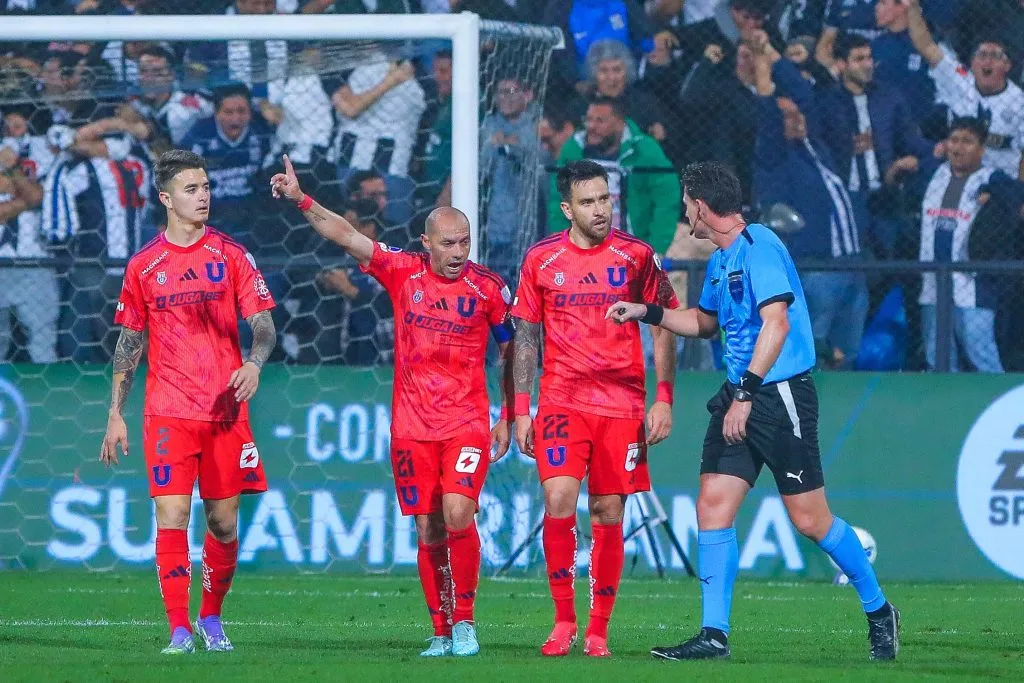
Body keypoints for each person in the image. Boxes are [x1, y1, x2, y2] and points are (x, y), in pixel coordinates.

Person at [606, 161, 900, 662]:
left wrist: (744, 394)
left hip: (778, 396)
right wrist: (648, 312)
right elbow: (703, 322)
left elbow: (777, 325)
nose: (684, 214)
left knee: (811, 521)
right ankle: (714, 635)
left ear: (701, 206)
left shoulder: (760, 247)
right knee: (712, 505)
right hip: (740, 393)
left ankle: (879, 609)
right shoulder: (722, 260)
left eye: (685, 204)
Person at [270, 154, 514, 658]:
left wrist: (512, 414)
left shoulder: (488, 288)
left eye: (464, 242)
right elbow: (343, 234)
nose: (458, 252)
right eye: (447, 243)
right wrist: (301, 200)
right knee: (427, 525)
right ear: (426, 244)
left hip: (467, 421)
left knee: (458, 511)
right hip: (411, 425)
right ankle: (440, 630)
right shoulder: (403, 272)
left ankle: (465, 623)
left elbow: (515, 350)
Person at [100, 149, 278, 655]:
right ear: (166, 199)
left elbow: (263, 327)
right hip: (168, 410)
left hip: (224, 412)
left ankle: (211, 617)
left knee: (222, 522)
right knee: (172, 516)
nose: (203, 197)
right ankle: (179, 628)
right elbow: (129, 343)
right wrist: (115, 413)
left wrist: (254, 362)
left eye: (206, 188)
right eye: (192, 189)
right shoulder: (143, 266)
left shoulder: (232, 255)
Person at [509, 159, 678, 658]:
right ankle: (563, 622)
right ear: (567, 208)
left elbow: (664, 323)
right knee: (559, 499)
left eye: (605, 198)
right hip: (562, 398)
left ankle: (598, 629)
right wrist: (523, 409)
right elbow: (525, 335)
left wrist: (664, 399)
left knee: (608, 509)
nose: (601, 209)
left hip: (623, 403)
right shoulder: (541, 259)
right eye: (588, 201)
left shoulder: (637, 256)